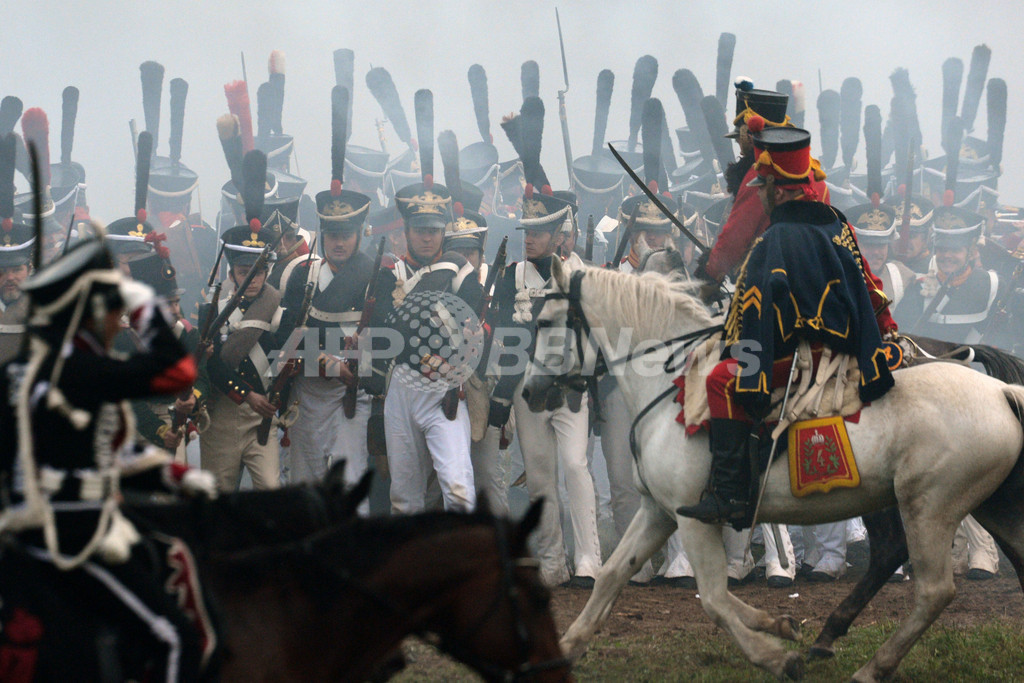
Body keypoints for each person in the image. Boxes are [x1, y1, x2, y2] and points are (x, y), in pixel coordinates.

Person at [0, 236, 214, 680]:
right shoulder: (81, 370)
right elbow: (177, 370)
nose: (119, 320)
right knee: (176, 638)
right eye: (112, 307)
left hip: (40, 527)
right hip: (74, 535)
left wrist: (174, 477)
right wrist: (143, 301)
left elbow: (105, 447)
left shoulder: (24, 370)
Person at [677, 123, 896, 528]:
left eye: (762, 186)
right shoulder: (838, 223)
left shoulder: (773, 240)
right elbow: (870, 285)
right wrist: (887, 328)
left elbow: (755, 317)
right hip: (850, 348)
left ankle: (729, 493)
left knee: (720, 379)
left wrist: (741, 360)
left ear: (777, 190)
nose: (758, 193)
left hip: (803, 357)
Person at [368, 89, 482, 514]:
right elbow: (385, 329)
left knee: (458, 487)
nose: (428, 237)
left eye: (434, 230)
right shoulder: (389, 274)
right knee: (405, 495)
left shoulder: (462, 272)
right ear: (407, 231)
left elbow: (477, 323)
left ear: (443, 231)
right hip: (401, 385)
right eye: (420, 229)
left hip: (445, 387)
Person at [279, 85, 376, 493]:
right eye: (332, 234)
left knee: (349, 483)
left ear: (359, 233)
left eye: (346, 234)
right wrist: (325, 362)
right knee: (305, 482)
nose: (338, 242)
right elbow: (286, 337)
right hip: (309, 388)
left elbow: (382, 337)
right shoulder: (301, 273)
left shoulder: (374, 275)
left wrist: (354, 367)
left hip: (352, 389)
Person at [199, 151, 284, 492]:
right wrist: (246, 394)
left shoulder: (279, 310)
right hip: (223, 413)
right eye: (244, 271)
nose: (252, 279)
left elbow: (288, 354)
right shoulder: (212, 309)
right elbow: (211, 365)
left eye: (258, 272)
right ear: (232, 272)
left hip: (262, 414)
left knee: (271, 490)